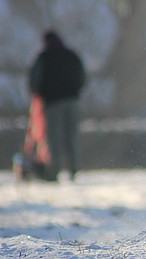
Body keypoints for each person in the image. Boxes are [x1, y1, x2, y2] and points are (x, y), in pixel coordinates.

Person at [28, 30, 86, 181]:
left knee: (54, 138)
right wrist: (76, 91)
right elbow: (82, 76)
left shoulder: (43, 57)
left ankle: (54, 172)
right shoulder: (71, 56)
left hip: (52, 103)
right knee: (71, 136)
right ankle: (73, 170)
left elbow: (34, 80)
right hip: (72, 101)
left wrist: (38, 93)